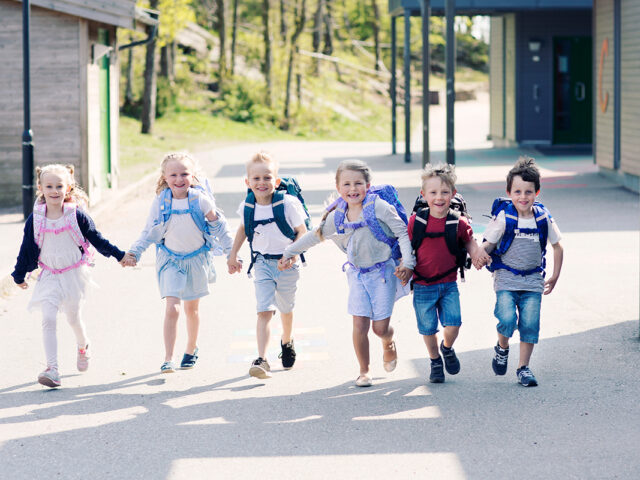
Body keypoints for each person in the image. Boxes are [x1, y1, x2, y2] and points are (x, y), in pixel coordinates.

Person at [279, 159, 414, 387]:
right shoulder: (337, 216)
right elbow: (316, 235)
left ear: (368, 185)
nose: (353, 189)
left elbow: (403, 231)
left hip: (383, 274)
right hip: (358, 276)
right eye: (347, 184)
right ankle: (364, 371)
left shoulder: (379, 207)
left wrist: (408, 263)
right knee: (359, 326)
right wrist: (289, 252)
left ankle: (388, 341)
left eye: (358, 183)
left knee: (379, 328)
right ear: (338, 187)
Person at [12, 164, 126, 388]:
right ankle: (52, 369)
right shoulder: (35, 219)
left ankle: (83, 345)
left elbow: (97, 239)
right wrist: (19, 275)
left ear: (69, 187)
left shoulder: (76, 216)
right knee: (48, 318)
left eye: (59, 186)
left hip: (74, 274)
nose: (54, 191)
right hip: (49, 276)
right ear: (40, 188)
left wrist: (120, 255)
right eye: (49, 186)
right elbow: (26, 248)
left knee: (73, 318)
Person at [124, 152, 233, 373]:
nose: (179, 179)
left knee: (191, 309)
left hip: (196, 259)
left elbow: (220, 227)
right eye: (173, 174)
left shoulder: (200, 199)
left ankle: (191, 349)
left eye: (184, 173)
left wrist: (232, 254)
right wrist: (134, 252)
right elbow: (148, 232)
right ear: (164, 177)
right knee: (172, 307)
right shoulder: (161, 201)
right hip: (170, 259)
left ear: (192, 176)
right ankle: (168, 358)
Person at [478, 156, 563, 387]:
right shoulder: (505, 217)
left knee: (530, 325)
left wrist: (554, 275)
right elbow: (488, 243)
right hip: (506, 278)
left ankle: (523, 368)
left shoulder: (543, 217)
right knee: (506, 320)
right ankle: (502, 347)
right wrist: (479, 253)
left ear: (537, 192)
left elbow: (557, 246)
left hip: (534, 279)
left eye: (528, 192)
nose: (522, 197)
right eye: (517, 192)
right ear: (509, 192)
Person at [227, 151, 307, 379]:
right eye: (256, 178)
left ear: (277, 181)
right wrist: (233, 254)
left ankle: (287, 341)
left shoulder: (288, 203)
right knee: (264, 310)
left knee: (286, 309)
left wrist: (291, 255)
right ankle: (262, 359)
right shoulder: (247, 206)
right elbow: (243, 229)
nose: (262, 183)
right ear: (247, 182)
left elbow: (302, 232)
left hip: (287, 264)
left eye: (267, 177)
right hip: (262, 262)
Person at [408, 164, 490, 384]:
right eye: (433, 192)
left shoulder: (458, 222)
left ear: (453, 194)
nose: (439, 197)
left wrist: (477, 255)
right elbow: (405, 248)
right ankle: (435, 360)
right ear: (423, 194)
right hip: (423, 284)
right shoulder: (417, 222)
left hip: (448, 283)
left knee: (453, 324)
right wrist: (402, 266)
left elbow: (469, 243)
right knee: (427, 328)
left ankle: (447, 348)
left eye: (445, 192)